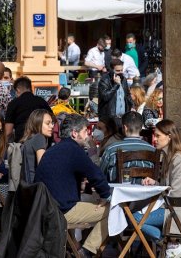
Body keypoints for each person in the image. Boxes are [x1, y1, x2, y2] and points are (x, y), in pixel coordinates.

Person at [34, 114, 111, 257]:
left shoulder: (53, 149)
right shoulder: (74, 150)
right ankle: (86, 251)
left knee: (90, 200)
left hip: (46, 208)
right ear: (75, 133)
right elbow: (96, 175)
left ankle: (74, 246)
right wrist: (106, 195)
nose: (88, 134)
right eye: (85, 131)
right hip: (61, 211)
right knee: (115, 210)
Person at [139, 119, 181, 256]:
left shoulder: (179, 159)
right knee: (133, 216)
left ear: (169, 136)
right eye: (154, 135)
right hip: (173, 209)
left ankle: (169, 244)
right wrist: (155, 184)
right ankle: (170, 244)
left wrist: (159, 192)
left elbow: (175, 192)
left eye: (158, 136)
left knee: (136, 218)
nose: (154, 139)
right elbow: (169, 186)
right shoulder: (169, 157)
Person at [100, 111, 155, 183]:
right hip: (146, 193)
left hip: (117, 193)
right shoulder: (152, 150)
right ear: (141, 128)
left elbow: (101, 174)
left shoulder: (111, 149)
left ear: (124, 128)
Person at [4, 76, 53, 142]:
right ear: (30, 88)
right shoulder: (41, 101)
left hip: (22, 141)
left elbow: (8, 131)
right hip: (41, 140)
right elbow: (52, 120)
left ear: (18, 90)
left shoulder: (13, 103)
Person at [19, 109, 54, 184]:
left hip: (25, 185)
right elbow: (42, 166)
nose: (52, 126)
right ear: (38, 123)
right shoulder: (39, 138)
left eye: (52, 123)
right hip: (35, 185)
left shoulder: (28, 139)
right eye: (48, 123)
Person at [98, 59, 133, 123]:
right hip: (109, 118)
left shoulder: (123, 79)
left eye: (121, 70)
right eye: (117, 70)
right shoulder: (105, 80)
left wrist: (132, 106)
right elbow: (105, 97)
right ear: (111, 70)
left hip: (123, 117)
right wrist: (116, 85)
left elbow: (127, 95)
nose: (120, 72)